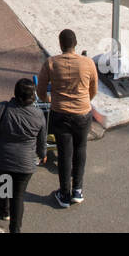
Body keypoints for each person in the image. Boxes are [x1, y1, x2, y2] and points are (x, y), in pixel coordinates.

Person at [38, 28, 98, 208]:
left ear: (60, 44)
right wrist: (84, 102)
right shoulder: (87, 63)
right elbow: (93, 89)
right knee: (81, 149)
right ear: (76, 44)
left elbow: (40, 91)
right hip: (83, 113)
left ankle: (64, 194)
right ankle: (78, 190)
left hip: (60, 113)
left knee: (64, 153)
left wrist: (49, 100)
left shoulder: (51, 63)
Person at [0, 78, 48, 232]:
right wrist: (43, 154)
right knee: (18, 197)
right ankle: (15, 228)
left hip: (3, 159)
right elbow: (42, 140)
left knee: (4, 183)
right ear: (32, 96)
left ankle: (3, 208)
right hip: (25, 164)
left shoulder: (3, 108)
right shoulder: (39, 114)